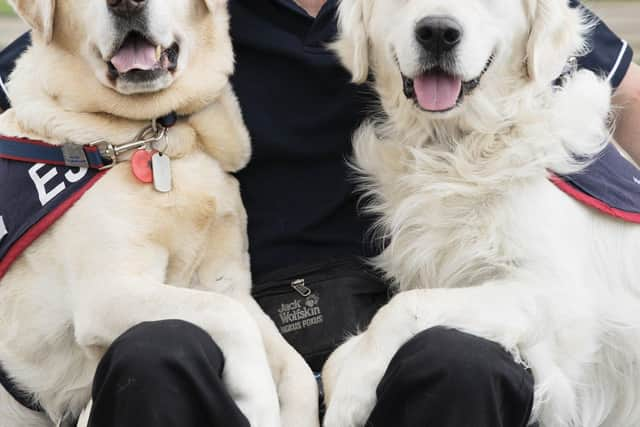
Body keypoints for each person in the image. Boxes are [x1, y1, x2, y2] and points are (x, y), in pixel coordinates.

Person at [0, 0, 637, 426]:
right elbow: (38, 85)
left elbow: (624, 93)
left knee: (464, 362)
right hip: (223, 325)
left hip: (407, 333)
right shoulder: (181, 11)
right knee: (154, 353)